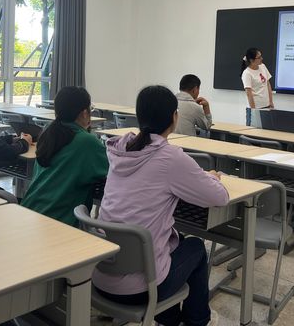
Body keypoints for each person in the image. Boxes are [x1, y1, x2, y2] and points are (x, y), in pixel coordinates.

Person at [93, 85, 229, 326]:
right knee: (196, 247)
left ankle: (170, 319)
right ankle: (197, 321)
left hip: (100, 276)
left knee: (176, 242)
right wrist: (211, 178)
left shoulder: (120, 150)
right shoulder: (170, 157)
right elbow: (219, 198)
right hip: (138, 289)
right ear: (174, 117)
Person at [21, 86, 108, 226]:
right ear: (84, 113)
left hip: (29, 212)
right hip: (58, 221)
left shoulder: (48, 132)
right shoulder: (87, 142)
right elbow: (113, 172)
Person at [240, 47, 274, 126]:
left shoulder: (263, 66)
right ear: (252, 60)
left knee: (267, 130)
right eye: (259, 57)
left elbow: (268, 84)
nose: (261, 58)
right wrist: (253, 110)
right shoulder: (247, 73)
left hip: (267, 106)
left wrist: (271, 102)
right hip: (256, 108)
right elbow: (249, 93)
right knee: (254, 131)